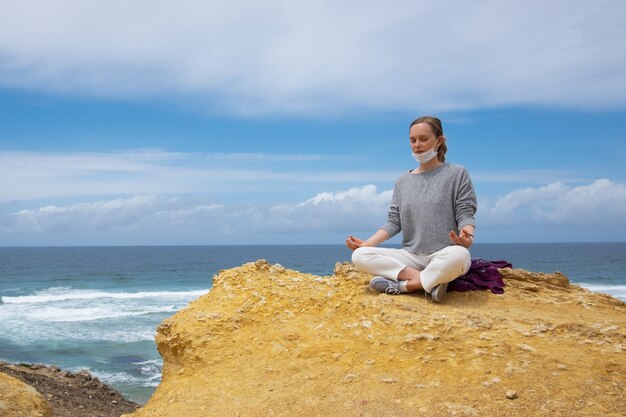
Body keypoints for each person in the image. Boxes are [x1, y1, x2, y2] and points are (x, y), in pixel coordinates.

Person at [346, 116, 477, 303]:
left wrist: (467, 236)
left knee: (460, 255)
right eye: (413, 140)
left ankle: (404, 286)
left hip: (445, 253)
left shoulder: (457, 174)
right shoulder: (402, 181)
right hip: (411, 256)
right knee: (360, 255)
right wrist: (367, 243)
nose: (417, 145)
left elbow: (465, 212)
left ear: (439, 141)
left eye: (423, 139)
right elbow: (394, 222)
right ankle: (431, 280)